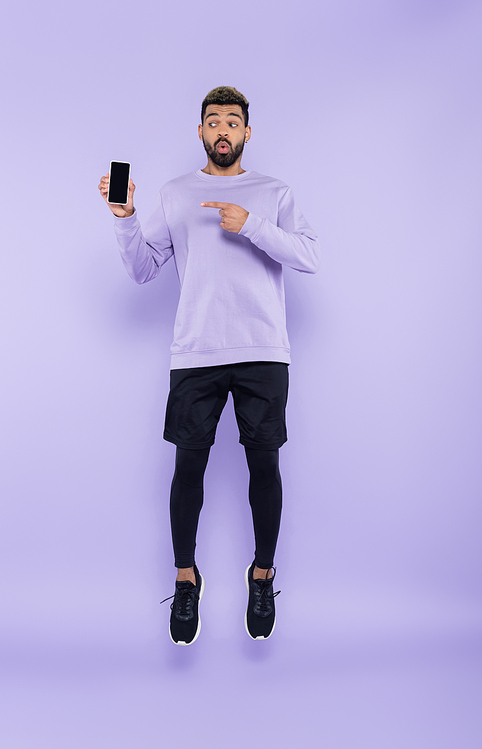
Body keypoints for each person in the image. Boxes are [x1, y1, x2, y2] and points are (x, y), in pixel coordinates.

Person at [98, 86, 320, 646]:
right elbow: (144, 270)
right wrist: (124, 219)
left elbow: (309, 255)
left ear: (247, 133)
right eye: (213, 121)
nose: (223, 130)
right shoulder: (176, 195)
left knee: (264, 468)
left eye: (232, 122)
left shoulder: (274, 193)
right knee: (187, 470)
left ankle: (262, 576)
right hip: (196, 351)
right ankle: (186, 576)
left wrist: (251, 225)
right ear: (200, 133)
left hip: (263, 349)